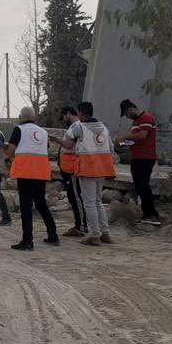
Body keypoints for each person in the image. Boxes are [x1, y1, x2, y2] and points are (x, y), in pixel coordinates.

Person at [56, 101, 116, 246]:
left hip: (87, 168)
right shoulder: (104, 128)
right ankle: (105, 233)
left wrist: (56, 139)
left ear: (81, 113)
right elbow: (111, 148)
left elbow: (68, 140)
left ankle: (94, 235)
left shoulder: (80, 127)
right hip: (103, 168)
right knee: (98, 202)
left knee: (89, 203)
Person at [5, 106, 59, 251]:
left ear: (20, 117)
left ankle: (27, 240)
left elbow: (10, 151)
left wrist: (6, 154)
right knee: (41, 203)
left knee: (26, 207)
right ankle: (53, 234)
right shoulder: (43, 132)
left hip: (25, 172)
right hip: (41, 172)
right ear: (34, 117)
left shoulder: (19, 130)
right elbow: (44, 149)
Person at [114, 99, 161, 227]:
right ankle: (146, 213)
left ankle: (151, 214)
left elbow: (142, 136)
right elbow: (136, 139)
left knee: (143, 185)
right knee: (139, 185)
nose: (127, 117)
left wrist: (124, 137)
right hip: (137, 156)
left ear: (130, 110)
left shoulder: (146, 118)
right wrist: (123, 143)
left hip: (145, 157)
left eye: (126, 114)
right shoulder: (136, 122)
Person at [52, 106, 87, 237]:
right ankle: (80, 224)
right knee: (73, 197)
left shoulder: (77, 126)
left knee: (76, 197)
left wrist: (57, 139)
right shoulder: (73, 127)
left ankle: (81, 225)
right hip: (68, 167)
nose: (63, 121)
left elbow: (69, 145)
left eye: (63, 117)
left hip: (71, 168)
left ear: (67, 114)